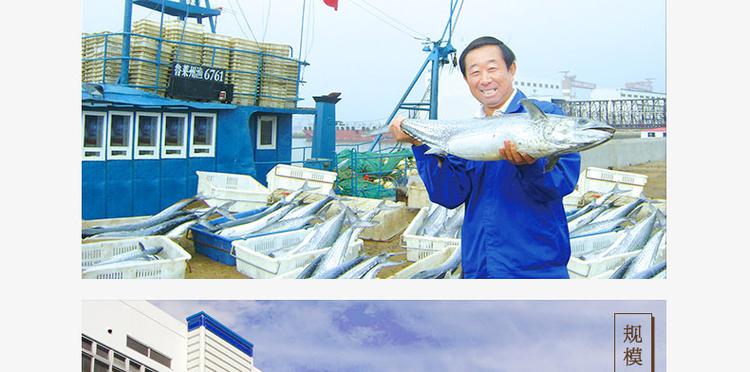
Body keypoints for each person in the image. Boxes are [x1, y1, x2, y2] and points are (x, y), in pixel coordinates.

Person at [389, 36, 580, 279]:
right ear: (467, 79)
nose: (485, 79)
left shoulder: (547, 117)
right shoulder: (468, 132)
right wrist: (419, 144)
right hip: (481, 266)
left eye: (492, 68)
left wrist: (530, 166)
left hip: (537, 268)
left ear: (511, 69)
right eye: (475, 72)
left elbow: (560, 184)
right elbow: (449, 194)